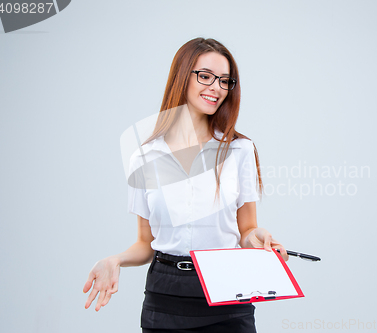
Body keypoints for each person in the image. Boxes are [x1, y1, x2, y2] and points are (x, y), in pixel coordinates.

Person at [83, 37, 289, 333]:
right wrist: (115, 259)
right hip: (165, 300)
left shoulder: (239, 150)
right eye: (205, 76)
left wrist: (258, 237)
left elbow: (246, 230)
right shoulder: (145, 156)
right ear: (182, 76)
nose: (216, 88)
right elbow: (145, 244)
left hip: (228, 293)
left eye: (224, 81)